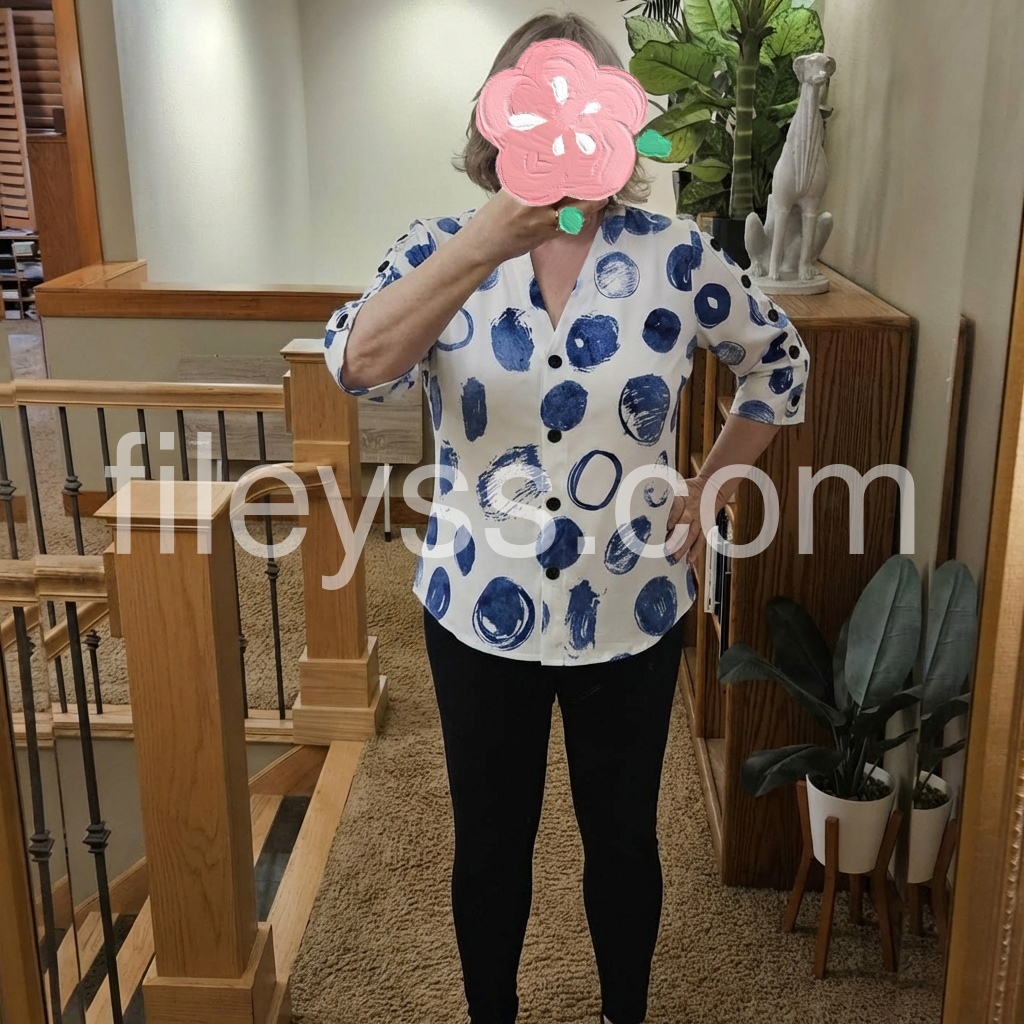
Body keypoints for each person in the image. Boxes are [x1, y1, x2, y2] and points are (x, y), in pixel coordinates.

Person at [321, 13, 808, 1023]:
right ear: (494, 123)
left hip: (631, 604)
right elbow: (360, 366)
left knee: (623, 842)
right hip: (476, 605)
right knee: (489, 847)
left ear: (614, 120)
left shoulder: (674, 257)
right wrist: (482, 244)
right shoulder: (436, 249)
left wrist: (716, 480)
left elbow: (780, 361)